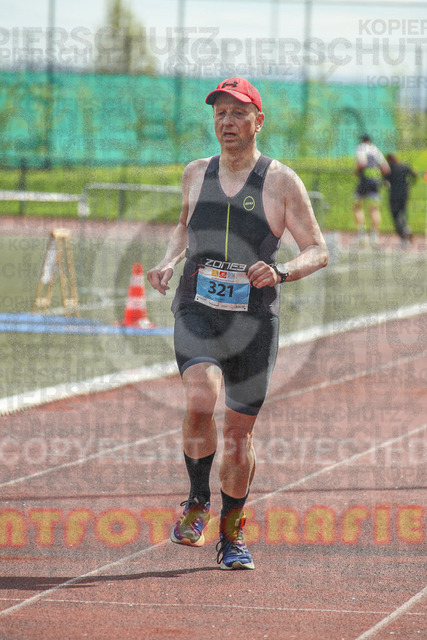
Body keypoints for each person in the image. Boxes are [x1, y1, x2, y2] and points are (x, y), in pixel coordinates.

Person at [147, 77, 329, 570]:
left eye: (238, 113)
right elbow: (184, 225)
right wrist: (168, 261)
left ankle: (231, 534)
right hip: (198, 308)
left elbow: (318, 249)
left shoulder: (281, 181)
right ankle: (197, 503)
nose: (227, 122)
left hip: (253, 320)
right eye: (220, 113)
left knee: (238, 436)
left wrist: (282, 272)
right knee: (200, 397)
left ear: (258, 121)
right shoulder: (195, 172)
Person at [353, 134, 390, 247]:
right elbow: (386, 169)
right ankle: (374, 237)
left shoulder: (361, 148)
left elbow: (362, 163)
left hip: (365, 180)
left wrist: (356, 172)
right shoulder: (376, 150)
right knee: (374, 209)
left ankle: (362, 235)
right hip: (376, 182)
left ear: (363, 140)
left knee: (357, 206)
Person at [385, 153, 417, 248]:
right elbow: (414, 175)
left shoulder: (389, 169)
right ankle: (406, 228)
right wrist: (409, 184)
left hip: (394, 195)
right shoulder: (404, 166)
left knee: (395, 217)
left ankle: (404, 236)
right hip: (404, 195)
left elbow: (385, 181)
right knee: (403, 213)